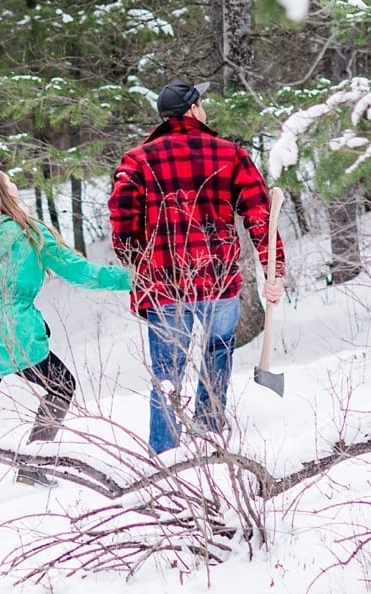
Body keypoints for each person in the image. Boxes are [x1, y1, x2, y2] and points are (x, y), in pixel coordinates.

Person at [0, 167, 133, 512]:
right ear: (1, 196)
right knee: (62, 385)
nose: (16, 188)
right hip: (20, 337)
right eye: (11, 185)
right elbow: (80, 272)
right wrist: (131, 280)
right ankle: (33, 467)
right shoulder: (31, 234)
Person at [109, 79, 286, 453]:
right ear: (192, 110)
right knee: (217, 353)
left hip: (163, 285)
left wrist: (133, 260)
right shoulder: (229, 155)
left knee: (167, 374)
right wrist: (274, 269)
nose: (205, 109)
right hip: (218, 280)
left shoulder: (137, 160)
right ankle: (208, 431)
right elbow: (259, 215)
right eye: (201, 103)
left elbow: (122, 217)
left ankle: (167, 453)